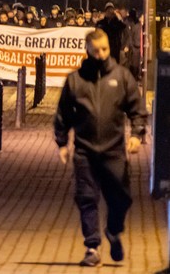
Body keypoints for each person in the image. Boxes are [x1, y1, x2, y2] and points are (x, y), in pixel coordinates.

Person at [54, 28, 147, 267]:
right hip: (85, 151)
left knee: (122, 198)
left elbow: (137, 109)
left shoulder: (122, 77)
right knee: (87, 198)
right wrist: (62, 142)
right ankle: (92, 247)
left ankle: (114, 231)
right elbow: (63, 113)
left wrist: (137, 134)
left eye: (105, 49)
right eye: (96, 51)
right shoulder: (75, 80)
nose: (101, 54)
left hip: (114, 151)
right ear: (87, 50)